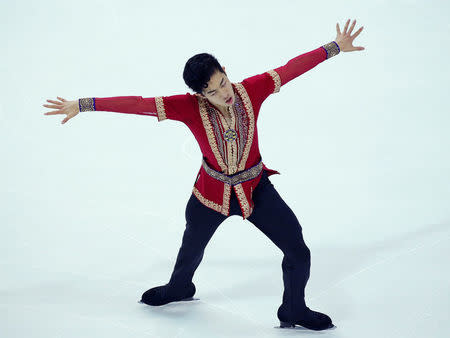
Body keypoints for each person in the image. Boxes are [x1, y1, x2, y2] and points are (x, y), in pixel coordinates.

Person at [43, 19, 364, 331]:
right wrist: (85, 104)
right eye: (211, 91)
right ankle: (179, 287)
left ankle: (294, 308)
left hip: (255, 188)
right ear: (200, 94)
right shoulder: (188, 107)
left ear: (225, 71)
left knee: (298, 250)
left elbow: (291, 68)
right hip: (210, 194)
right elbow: (138, 104)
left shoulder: (252, 89)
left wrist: (334, 47)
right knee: (191, 245)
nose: (222, 93)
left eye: (222, 82)